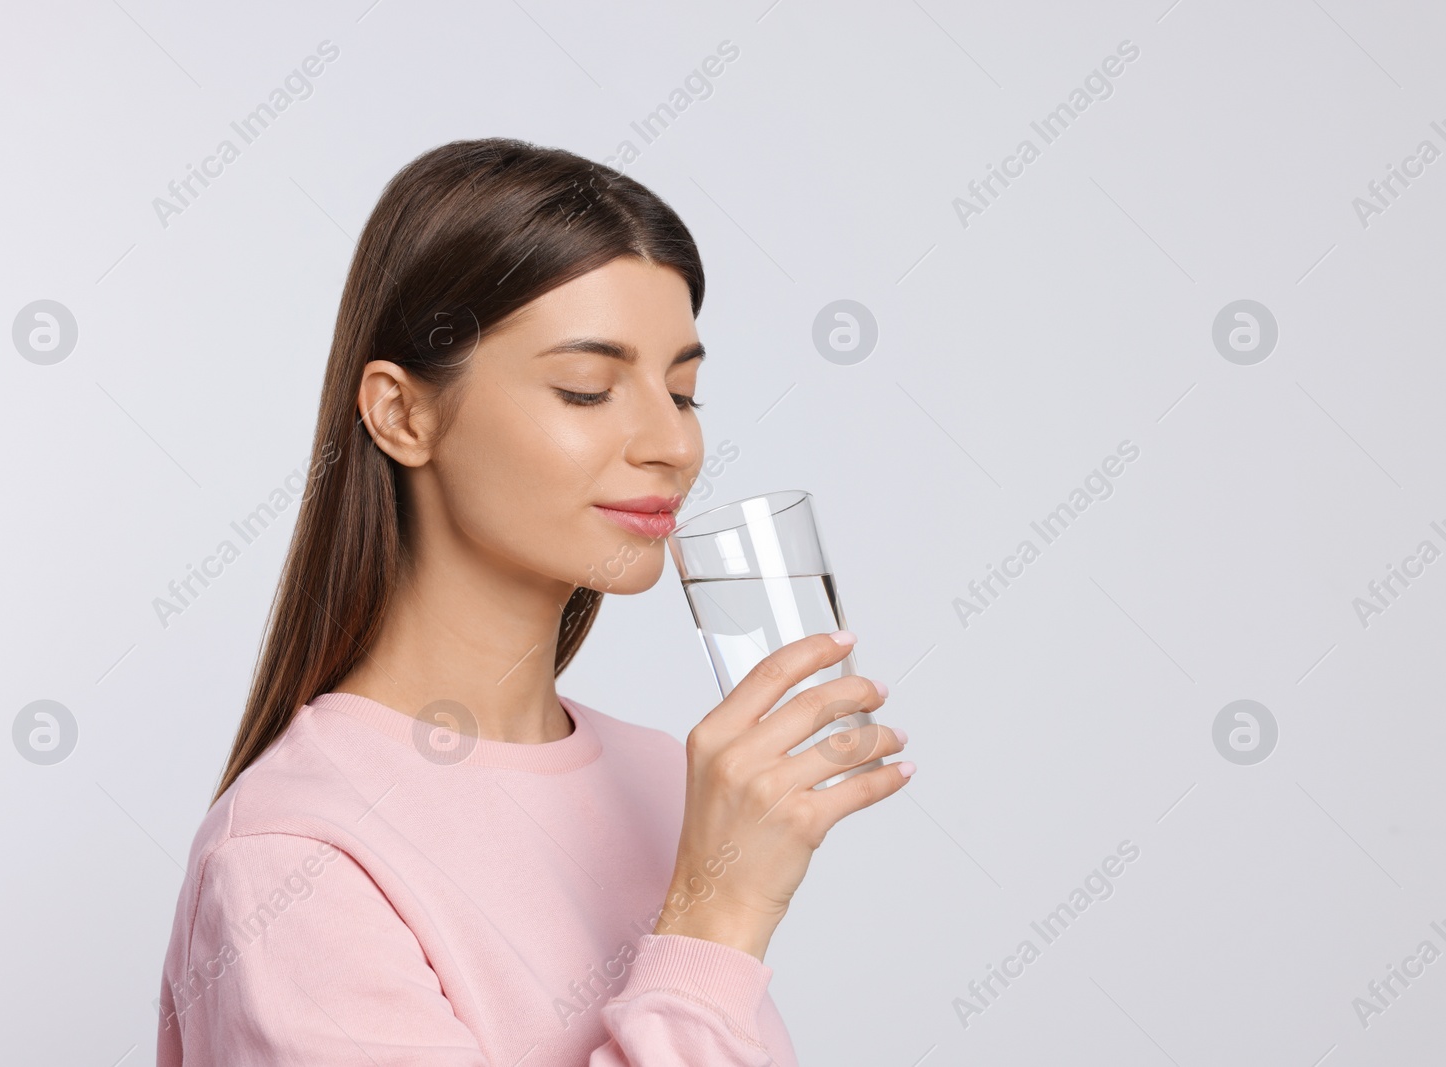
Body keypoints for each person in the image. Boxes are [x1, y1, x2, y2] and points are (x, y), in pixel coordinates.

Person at [154, 136, 912, 1066]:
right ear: (402, 413)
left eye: (683, 391)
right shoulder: (293, 857)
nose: (672, 442)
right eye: (587, 389)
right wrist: (716, 919)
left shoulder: (663, 778)